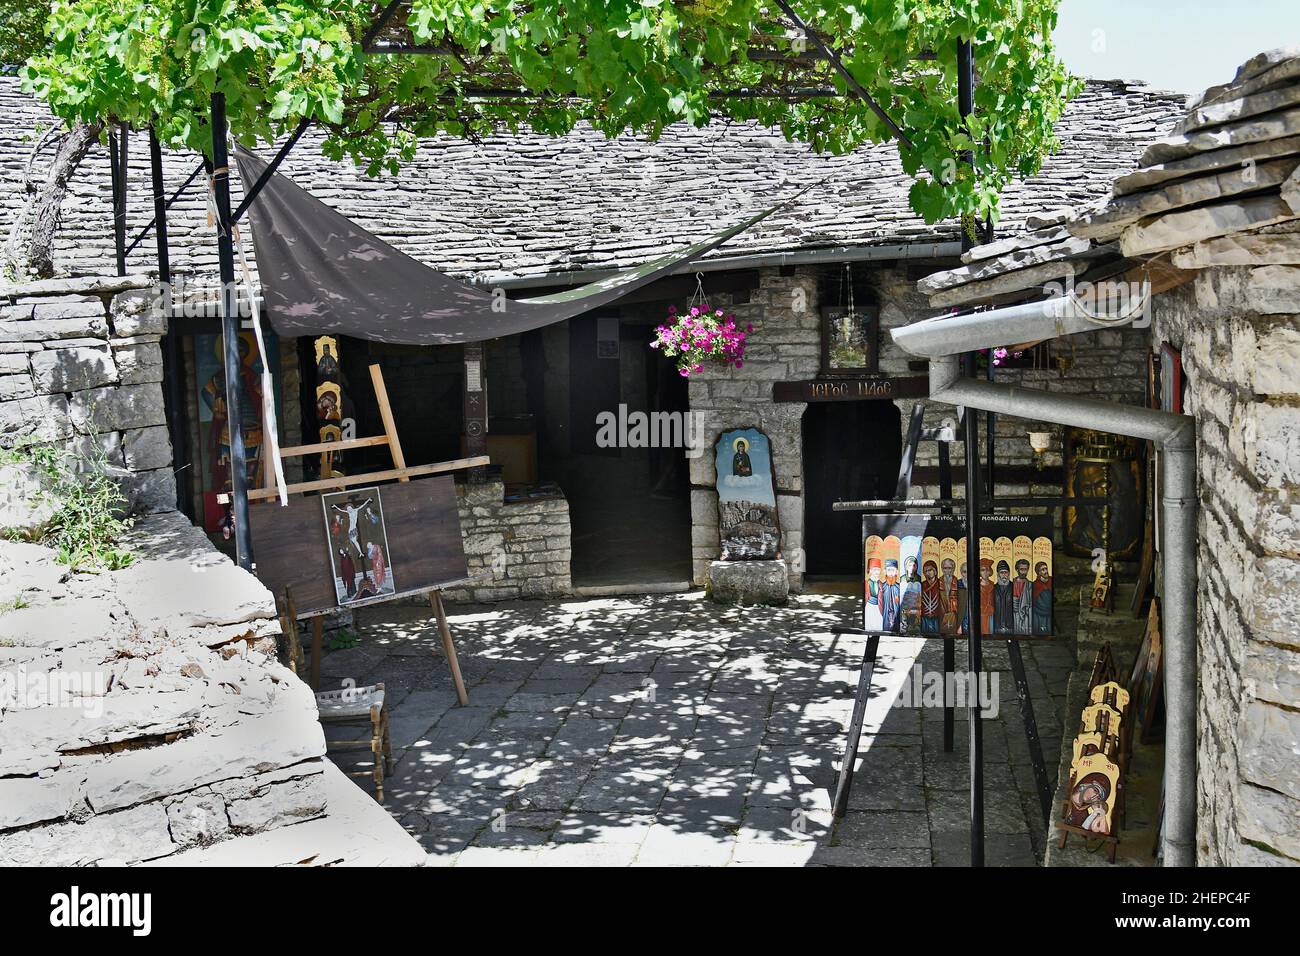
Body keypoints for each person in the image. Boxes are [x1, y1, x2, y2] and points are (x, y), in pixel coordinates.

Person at [880, 560, 902, 633]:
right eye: (889, 570)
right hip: (885, 614)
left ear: (897, 572)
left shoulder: (899, 588)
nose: (891, 573)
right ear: (885, 571)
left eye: (893, 570)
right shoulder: (882, 587)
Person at [939, 558, 960, 634]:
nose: (947, 570)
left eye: (949, 568)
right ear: (942, 569)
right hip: (941, 614)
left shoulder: (958, 582)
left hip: (954, 614)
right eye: (945, 568)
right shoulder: (938, 582)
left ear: (953, 569)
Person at [993, 560, 1015, 634]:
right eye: (1002, 572)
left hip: (1011, 625)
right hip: (997, 624)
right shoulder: (993, 588)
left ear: (1009, 574)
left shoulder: (1014, 587)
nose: (1004, 575)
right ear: (998, 574)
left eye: (1006, 572)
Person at [920, 560, 941, 635]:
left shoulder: (940, 584)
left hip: (937, 617)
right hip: (924, 617)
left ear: (935, 571)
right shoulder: (922, 585)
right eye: (925, 571)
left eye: (930, 570)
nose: (927, 573)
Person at [1012, 558, 1033, 635]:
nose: (1024, 572)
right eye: (1021, 569)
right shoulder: (1011, 583)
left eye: (1026, 569)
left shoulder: (1030, 585)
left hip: (1025, 614)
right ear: (1017, 569)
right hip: (1012, 613)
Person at [1032, 561, 1053, 635]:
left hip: (1049, 612)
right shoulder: (1035, 585)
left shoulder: (1051, 580)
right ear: (1038, 572)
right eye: (1043, 570)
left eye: (1046, 569)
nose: (1046, 571)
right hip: (1039, 613)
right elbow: (1034, 600)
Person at [864, 559, 883, 631]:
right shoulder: (867, 583)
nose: (876, 572)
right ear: (870, 571)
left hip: (878, 606)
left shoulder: (880, 583)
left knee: (878, 621)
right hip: (869, 605)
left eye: (878, 570)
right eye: (874, 570)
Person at [978, 559, 996, 635]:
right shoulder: (977, 585)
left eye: (987, 570)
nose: (985, 572)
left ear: (990, 572)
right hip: (980, 614)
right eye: (982, 570)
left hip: (990, 614)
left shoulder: (993, 585)